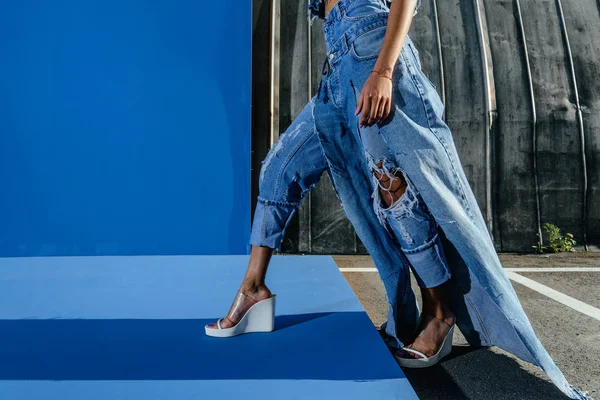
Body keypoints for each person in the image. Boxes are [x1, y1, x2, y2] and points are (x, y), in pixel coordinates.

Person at [207, 0, 586, 398]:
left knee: (395, 193)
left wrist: (384, 71)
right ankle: (253, 288)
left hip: (374, 52)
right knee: (278, 170)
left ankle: (440, 312)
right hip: (337, 69)